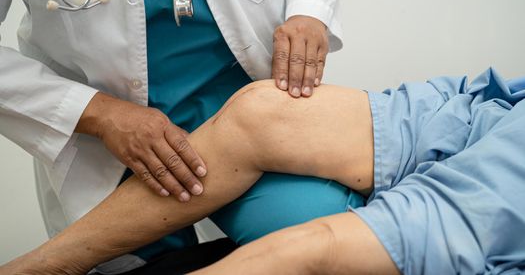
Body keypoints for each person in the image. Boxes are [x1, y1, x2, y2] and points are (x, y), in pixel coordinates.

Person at [0, 0, 352, 271]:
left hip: (249, 109)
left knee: (327, 239)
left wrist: (310, 10)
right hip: (112, 149)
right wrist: (97, 114)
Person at [2, 68, 525, 274]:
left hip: (494, 200)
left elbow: (313, 247)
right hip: (491, 116)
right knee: (261, 110)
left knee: (307, 241)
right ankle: (43, 266)